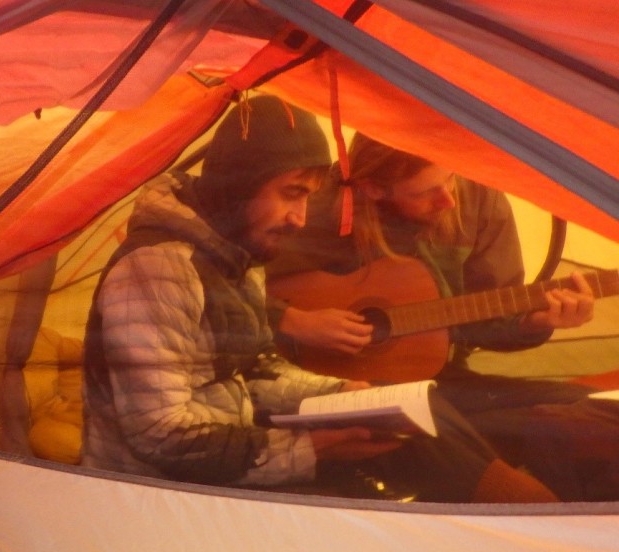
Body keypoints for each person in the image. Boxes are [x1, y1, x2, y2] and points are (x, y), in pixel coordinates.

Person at [80, 94, 562, 503]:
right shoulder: (159, 269)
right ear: (238, 185)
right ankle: (539, 520)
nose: (299, 217)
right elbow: (160, 435)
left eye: (308, 196)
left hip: (228, 461)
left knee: (414, 413)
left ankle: (539, 511)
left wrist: (344, 395)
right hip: (164, 495)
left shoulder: (232, 257)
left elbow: (256, 370)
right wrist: (311, 450)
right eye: (291, 193)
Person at [266, 132, 619, 500]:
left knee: (590, 405)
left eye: (450, 179)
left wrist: (536, 323)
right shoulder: (316, 206)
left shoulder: (478, 197)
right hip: (329, 386)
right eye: (424, 192)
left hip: (442, 379)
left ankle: (473, 455)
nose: (449, 200)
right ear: (372, 189)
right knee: (406, 410)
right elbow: (229, 293)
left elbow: (487, 319)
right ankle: (523, 500)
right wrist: (294, 321)